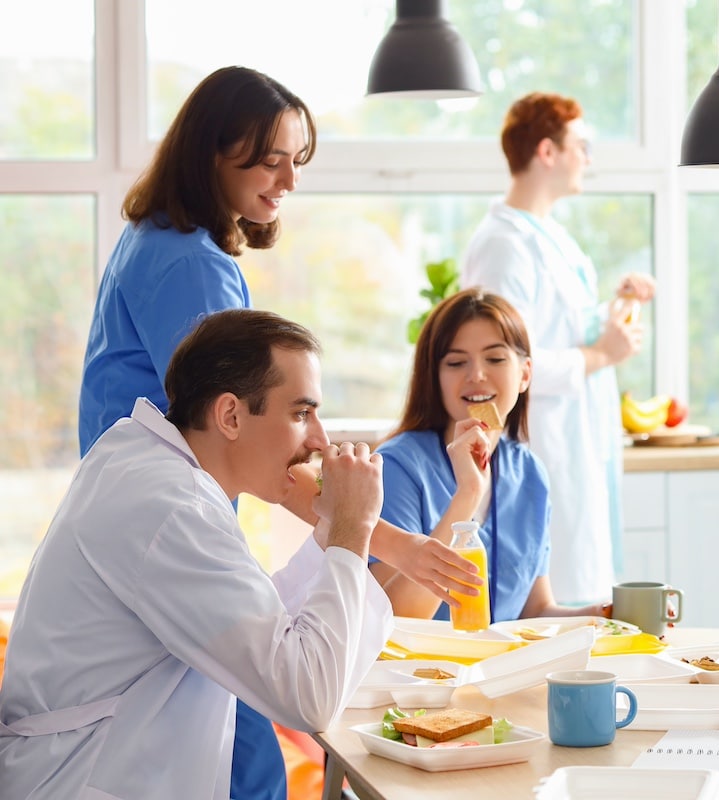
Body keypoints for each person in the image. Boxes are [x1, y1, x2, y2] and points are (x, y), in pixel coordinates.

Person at [74, 65, 478, 799]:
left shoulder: (155, 239)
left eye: (298, 160)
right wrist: (384, 541)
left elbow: (255, 435)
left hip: (148, 528)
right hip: (165, 531)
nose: (288, 180)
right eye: (269, 159)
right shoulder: (193, 267)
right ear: (211, 152)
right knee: (256, 745)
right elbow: (257, 441)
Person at [0, 309, 392, 798]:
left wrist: (336, 529)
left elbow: (250, 618)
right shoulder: (171, 508)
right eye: (299, 413)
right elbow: (307, 697)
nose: (319, 439)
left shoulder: (147, 463)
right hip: (79, 779)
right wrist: (353, 530)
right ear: (230, 415)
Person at [461, 91, 655, 605]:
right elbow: (495, 362)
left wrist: (616, 308)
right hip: (545, 440)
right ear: (547, 152)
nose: (588, 158)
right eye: (581, 145)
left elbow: (556, 328)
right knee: (557, 594)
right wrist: (600, 356)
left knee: (586, 584)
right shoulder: (503, 245)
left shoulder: (549, 236)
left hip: (579, 438)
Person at [371, 288, 607, 620]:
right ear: (434, 377)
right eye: (456, 362)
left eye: (495, 358)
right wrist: (468, 494)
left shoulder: (529, 473)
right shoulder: (395, 467)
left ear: (525, 374)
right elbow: (394, 618)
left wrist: (604, 614)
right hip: (428, 670)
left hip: (505, 667)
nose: (477, 375)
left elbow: (534, 611)